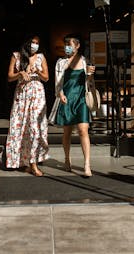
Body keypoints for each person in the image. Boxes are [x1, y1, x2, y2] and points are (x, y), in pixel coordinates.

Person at [49, 34, 95, 177]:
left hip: (81, 99)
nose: (67, 47)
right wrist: (60, 93)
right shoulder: (60, 62)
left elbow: (88, 82)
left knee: (83, 130)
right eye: (66, 45)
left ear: (77, 46)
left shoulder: (84, 61)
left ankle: (87, 164)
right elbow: (58, 82)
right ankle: (67, 159)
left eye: (70, 44)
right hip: (67, 99)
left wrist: (90, 74)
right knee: (67, 132)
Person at [5, 36, 50, 176]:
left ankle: (33, 162)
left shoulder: (40, 57)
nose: (35, 45)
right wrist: (20, 73)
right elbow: (9, 77)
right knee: (20, 127)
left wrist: (37, 71)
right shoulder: (16, 56)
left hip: (37, 94)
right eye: (33, 42)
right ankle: (23, 161)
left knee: (35, 128)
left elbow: (46, 78)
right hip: (22, 95)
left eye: (37, 43)